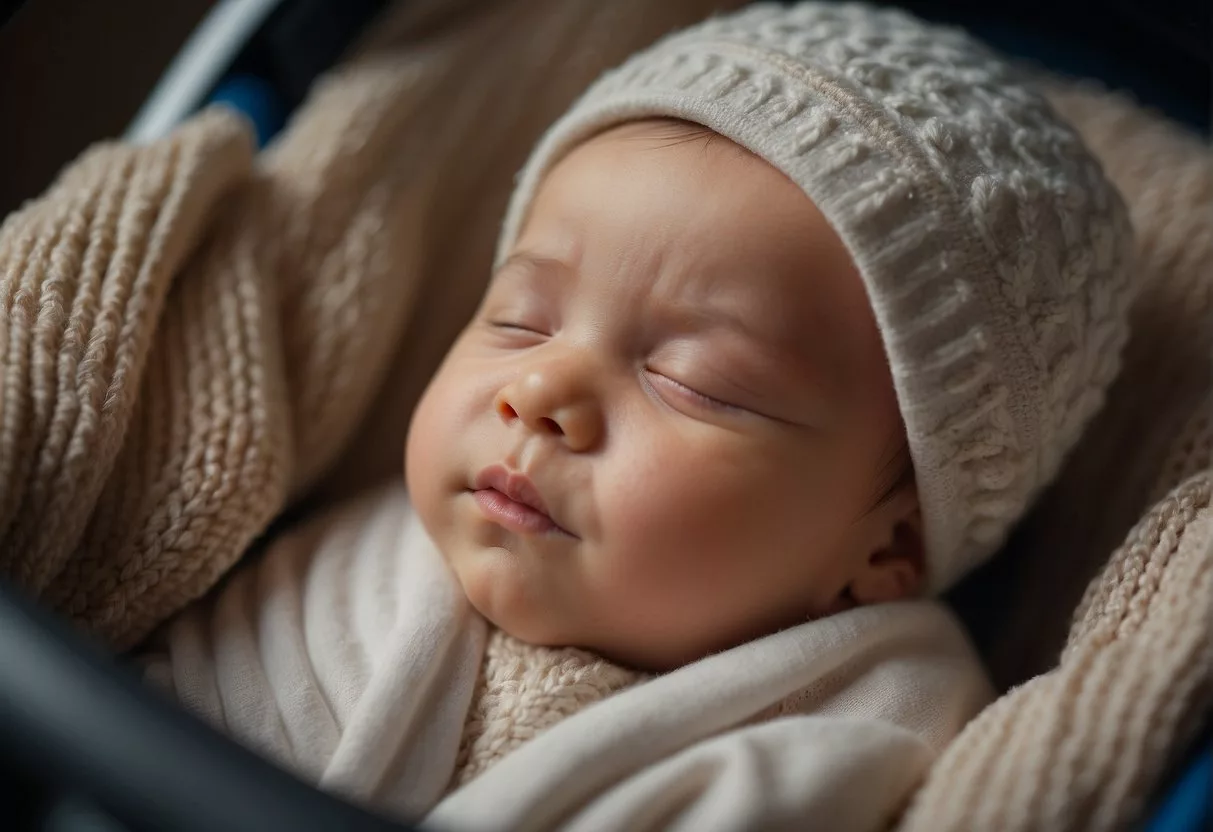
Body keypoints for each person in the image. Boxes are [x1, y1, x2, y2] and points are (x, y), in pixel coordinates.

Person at [140, 3, 1133, 828]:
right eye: (518, 320)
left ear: (886, 549)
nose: (538, 396)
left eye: (695, 381)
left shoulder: (872, 724)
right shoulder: (345, 570)